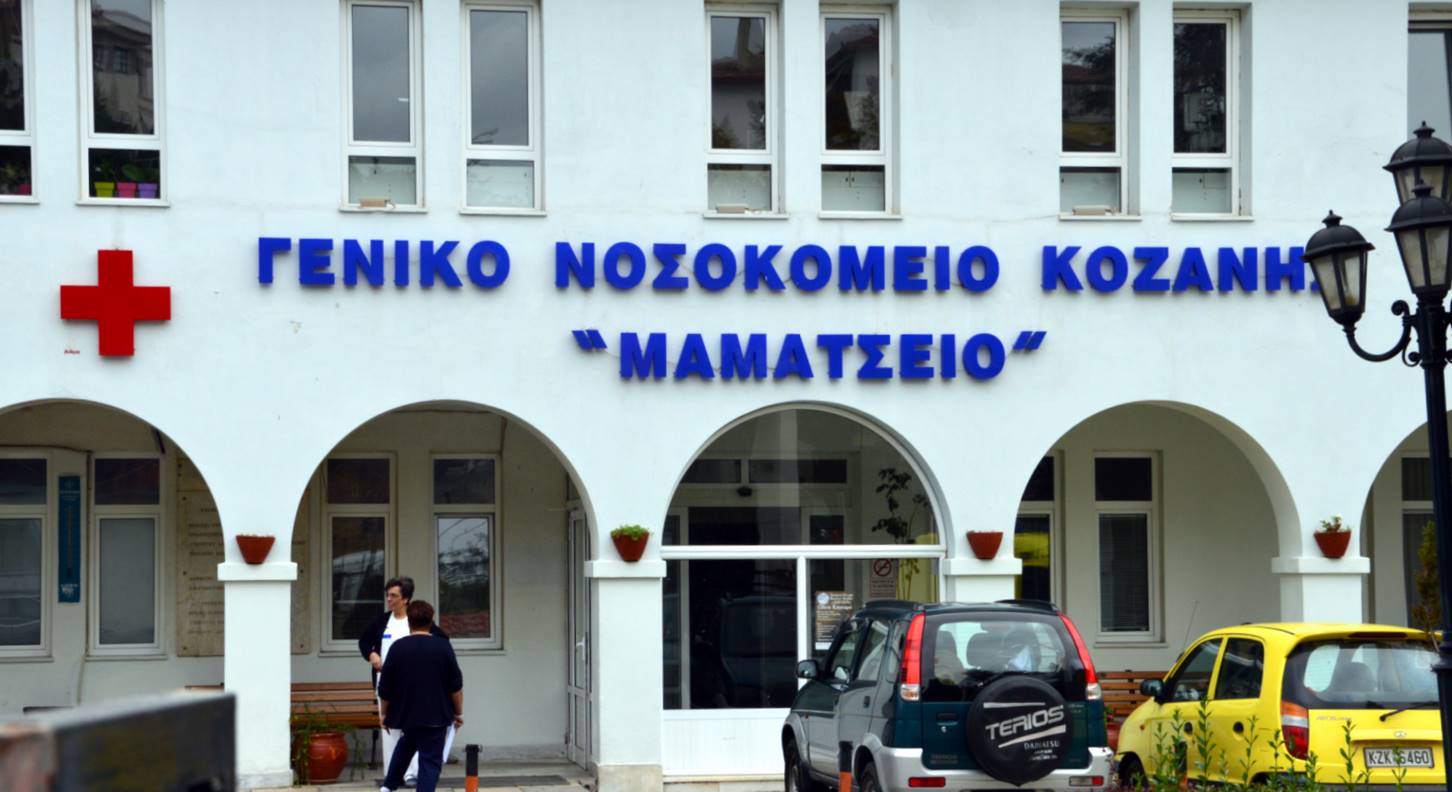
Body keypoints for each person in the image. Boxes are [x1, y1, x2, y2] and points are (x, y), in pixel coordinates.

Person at [359, 577, 454, 785]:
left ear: (406, 599)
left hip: (415, 684)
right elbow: (364, 642)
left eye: (393, 596)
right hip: (387, 683)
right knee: (390, 730)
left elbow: (442, 642)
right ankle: (392, 775)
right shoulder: (382, 621)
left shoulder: (418, 621)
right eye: (387, 595)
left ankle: (413, 773)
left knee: (415, 728)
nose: (389, 599)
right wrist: (372, 654)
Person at [377, 599, 464, 792]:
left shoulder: (398, 647)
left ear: (409, 621)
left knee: (406, 746)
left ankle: (388, 787)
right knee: (430, 761)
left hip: (407, 714)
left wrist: (384, 713)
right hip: (436, 715)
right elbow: (456, 686)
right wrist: (458, 713)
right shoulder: (443, 647)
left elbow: (385, 687)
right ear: (431, 621)